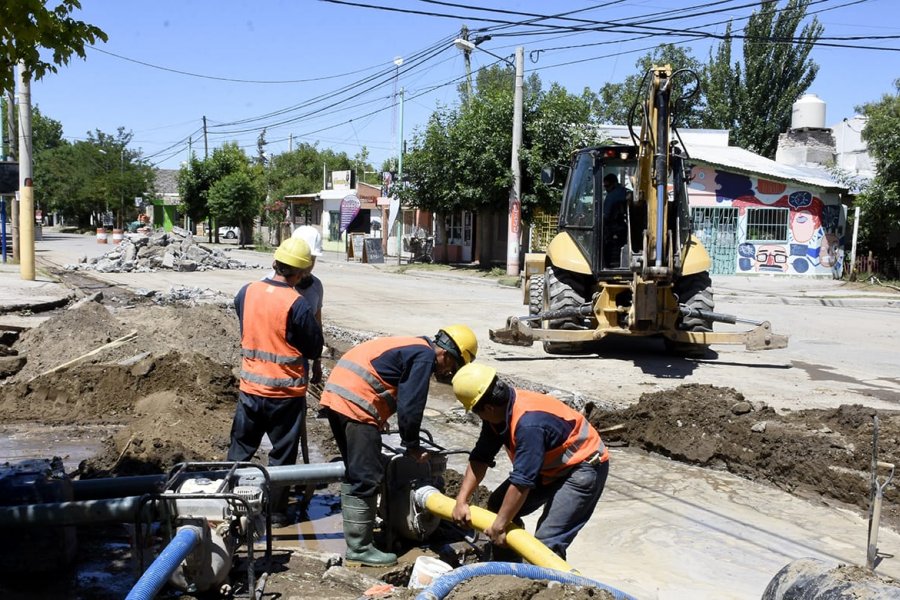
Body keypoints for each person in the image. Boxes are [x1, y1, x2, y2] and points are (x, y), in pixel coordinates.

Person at [320, 325, 478, 567]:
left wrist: (379, 417)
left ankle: (360, 538)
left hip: (339, 395)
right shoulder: (424, 357)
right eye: (452, 366)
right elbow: (411, 406)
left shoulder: (414, 346)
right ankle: (360, 548)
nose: (447, 372)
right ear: (447, 354)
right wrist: (412, 445)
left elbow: (384, 377)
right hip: (356, 401)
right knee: (366, 476)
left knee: (355, 472)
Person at [450, 363, 609, 560]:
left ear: (488, 407)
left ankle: (551, 585)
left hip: (584, 467)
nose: (478, 416)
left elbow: (522, 481)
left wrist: (500, 525)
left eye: (475, 411)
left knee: (547, 542)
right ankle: (505, 572)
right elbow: (481, 457)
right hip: (552, 466)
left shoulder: (528, 424)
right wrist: (461, 500)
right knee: (500, 505)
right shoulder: (498, 414)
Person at [227, 237, 324, 526]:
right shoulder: (296, 303)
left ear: (275, 262)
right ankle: (277, 512)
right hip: (285, 393)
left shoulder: (247, 292)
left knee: (240, 450)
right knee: (282, 455)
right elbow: (314, 348)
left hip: (251, 390)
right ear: (302, 272)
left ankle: (230, 503)